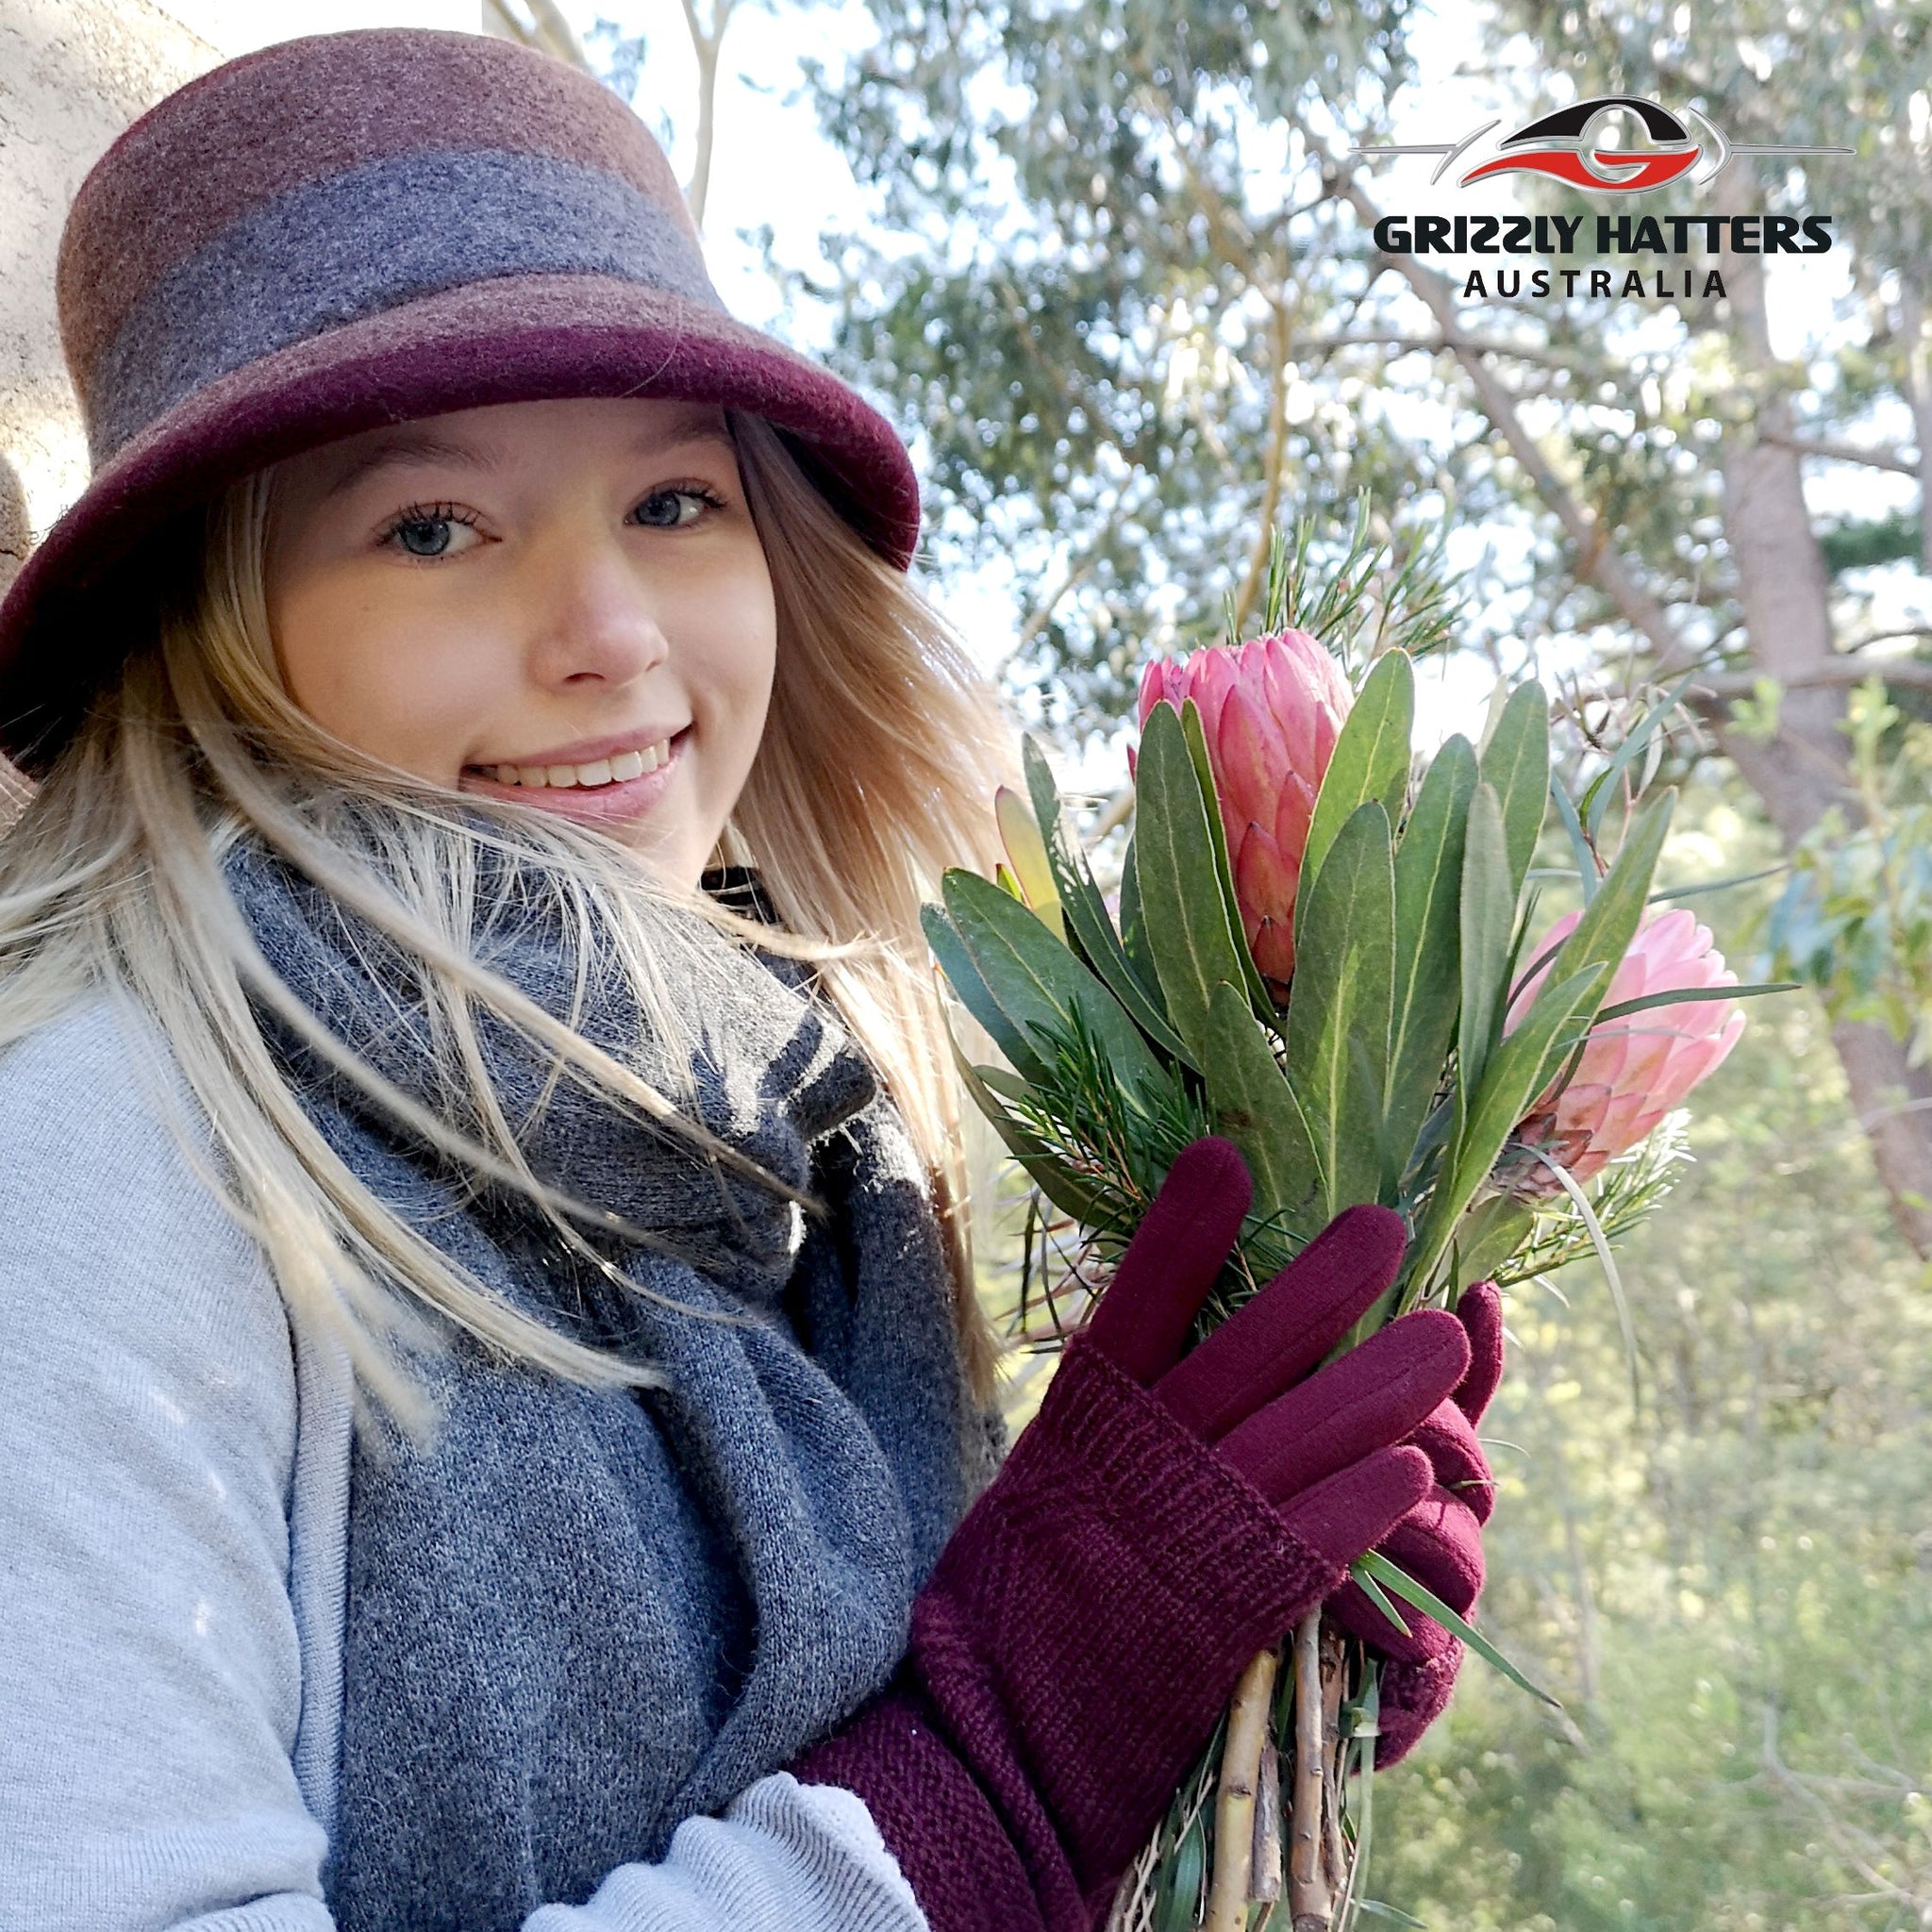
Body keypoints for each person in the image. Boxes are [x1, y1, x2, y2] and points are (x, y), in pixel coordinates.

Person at [0, 28, 1496, 1932]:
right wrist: (1004, 1758)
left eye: (674, 502)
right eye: (433, 525)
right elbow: (934, 1802)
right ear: (213, 635)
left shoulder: (806, 1154)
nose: (610, 634)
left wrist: (1203, 1692)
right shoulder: (103, 1143)